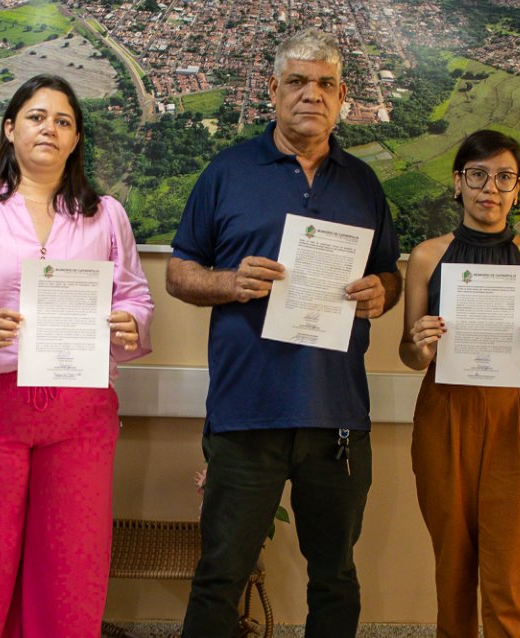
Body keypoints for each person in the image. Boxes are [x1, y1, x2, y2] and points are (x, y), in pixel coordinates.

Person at [167, 28, 401, 637]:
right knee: (221, 573)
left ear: (343, 95)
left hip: (336, 416)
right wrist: (229, 284)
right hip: (247, 412)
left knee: (335, 575)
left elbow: (389, 275)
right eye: (297, 81)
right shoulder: (227, 172)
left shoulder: (362, 183)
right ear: (272, 90)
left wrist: (384, 292)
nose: (311, 95)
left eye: (325, 84)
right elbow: (178, 274)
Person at [0, 74, 153, 638]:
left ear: (75, 140)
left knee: (70, 569)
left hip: (79, 413)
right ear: (10, 127)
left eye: (63, 121)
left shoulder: (106, 214)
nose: (50, 128)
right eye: (38, 116)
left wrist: (129, 320)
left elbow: (136, 294)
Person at [399, 130, 520, 638]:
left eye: (504, 177)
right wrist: (420, 344)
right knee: (451, 561)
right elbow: (409, 354)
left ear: (517, 188)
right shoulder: (428, 256)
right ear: (458, 183)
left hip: (512, 413)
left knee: (508, 567)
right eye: (477, 175)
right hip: (443, 411)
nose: (490, 188)